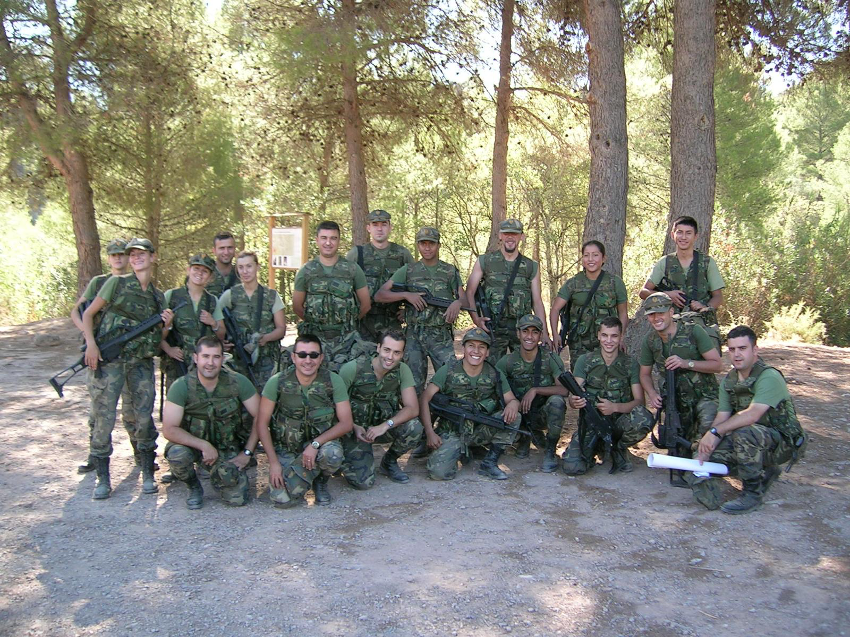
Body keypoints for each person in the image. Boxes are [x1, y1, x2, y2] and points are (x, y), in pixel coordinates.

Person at [81, 238, 174, 500]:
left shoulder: (157, 296)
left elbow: (158, 338)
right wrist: (91, 345)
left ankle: (147, 473)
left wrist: (167, 325)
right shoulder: (116, 283)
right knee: (104, 417)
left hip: (140, 364)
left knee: (143, 418)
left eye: (141, 253)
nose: (136, 258)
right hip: (110, 362)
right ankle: (103, 478)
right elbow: (88, 314)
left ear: (153, 257)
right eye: (132, 254)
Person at [689, 326, 808, 514]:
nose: (736, 354)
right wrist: (707, 444)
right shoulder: (729, 381)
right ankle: (765, 471)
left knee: (744, 432)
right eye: (732, 349)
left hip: (783, 443)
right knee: (710, 452)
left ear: (755, 350)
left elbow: (752, 415)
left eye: (742, 348)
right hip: (755, 439)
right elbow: (722, 417)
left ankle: (753, 494)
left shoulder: (769, 376)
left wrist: (715, 432)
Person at [255, 334, 354, 508]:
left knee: (332, 454)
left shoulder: (333, 380)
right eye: (302, 355)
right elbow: (262, 424)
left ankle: (321, 481)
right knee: (282, 500)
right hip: (287, 447)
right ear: (293, 357)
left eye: (313, 355)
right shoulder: (277, 382)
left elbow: (346, 423)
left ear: (321, 358)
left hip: (320, 446)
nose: (308, 360)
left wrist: (315, 444)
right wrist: (274, 463)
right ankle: (302, 476)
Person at [161, 336, 261, 509]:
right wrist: (203, 445)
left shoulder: (238, 382)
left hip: (227, 447)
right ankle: (193, 486)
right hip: (193, 447)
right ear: (195, 358)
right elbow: (169, 429)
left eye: (216, 357)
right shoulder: (181, 386)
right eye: (205, 356)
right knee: (177, 455)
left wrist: (247, 453)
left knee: (237, 500)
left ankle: (218, 476)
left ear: (223, 359)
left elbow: (261, 417)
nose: (210, 363)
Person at [71, 238, 140, 474]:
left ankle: (139, 453)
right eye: (114, 255)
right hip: (101, 355)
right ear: (108, 258)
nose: (118, 258)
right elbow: (78, 311)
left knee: (132, 408)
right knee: (99, 408)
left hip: (129, 356)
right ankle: (95, 455)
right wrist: (88, 337)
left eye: (122, 254)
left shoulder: (136, 283)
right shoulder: (99, 282)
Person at [638, 292, 723, 477]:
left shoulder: (693, 331)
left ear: (671, 312)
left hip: (704, 397)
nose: (656, 318)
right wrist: (652, 394)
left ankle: (703, 470)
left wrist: (687, 363)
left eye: (660, 313)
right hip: (677, 403)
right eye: (651, 314)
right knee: (679, 457)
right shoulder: (650, 341)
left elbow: (717, 365)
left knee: (706, 429)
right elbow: (644, 374)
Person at [420, 328, 523, 481]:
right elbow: (424, 399)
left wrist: (513, 405)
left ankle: (490, 462)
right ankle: (460, 450)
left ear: (487, 352)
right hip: (452, 431)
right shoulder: (448, 370)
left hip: (480, 429)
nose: (476, 351)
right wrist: (430, 433)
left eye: (481, 347)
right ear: (463, 348)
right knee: (438, 473)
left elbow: (512, 400)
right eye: (471, 346)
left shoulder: (494, 373)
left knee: (514, 417)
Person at [374, 226, 467, 392]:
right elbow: (380, 295)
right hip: (414, 336)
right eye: (423, 243)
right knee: (413, 386)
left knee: (452, 381)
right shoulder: (409, 270)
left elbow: (465, 299)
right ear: (418, 246)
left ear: (438, 245)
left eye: (431, 243)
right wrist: (406, 295)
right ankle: (415, 410)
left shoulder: (449, 271)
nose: (427, 247)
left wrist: (457, 303)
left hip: (441, 335)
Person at [562, 317, 654, 475]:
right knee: (572, 467)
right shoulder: (585, 361)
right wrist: (573, 401)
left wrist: (615, 407)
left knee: (643, 418)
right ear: (598, 335)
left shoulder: (630, 364)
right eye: (605, 335)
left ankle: (618, 448)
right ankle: (597, 448)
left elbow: (639, 402)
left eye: (614, 336)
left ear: (621, 337)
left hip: (619, 425)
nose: (609, 341)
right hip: (591, 423)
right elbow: (573, 396)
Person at [337, 330, 423, 488]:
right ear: (378, 348)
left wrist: (385, 425)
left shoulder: (402, 370)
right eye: (387, 350)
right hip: (354, 430)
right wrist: (353, 426)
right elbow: (333, 405)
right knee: (363, 482)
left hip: (381, 426)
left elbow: (412, 408)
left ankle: (389, 461)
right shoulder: (352, 369)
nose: (390, 357)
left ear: (402, 354)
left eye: (396, 352)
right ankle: (342, 458)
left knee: (414, 427)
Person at [292, 220, 372, 371]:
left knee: (348, 377)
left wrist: (347, 323)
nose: (328, 243)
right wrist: (317, 323)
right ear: (317, 240)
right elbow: (297, 306)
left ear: (338, 241)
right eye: (324, 238)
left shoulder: (352, 269)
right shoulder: (306, 271)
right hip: (316, 339)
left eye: (333, 238)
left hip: (346, 339)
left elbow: (365, 305)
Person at [466, 219, 550, 362]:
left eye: (514, 234)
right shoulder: (485, 261)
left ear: (521, 236)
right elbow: (469, 292)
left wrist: (545, 333)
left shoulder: (531, 266)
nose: (510, 237)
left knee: (523, 369)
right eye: (506, 234)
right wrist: (476, 319)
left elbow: (537, 301)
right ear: (500, 235)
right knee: (492, 370)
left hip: (522, 330)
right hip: (494, 328)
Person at [639, 216, 725, 350]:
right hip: (673, 328)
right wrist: (667, 295)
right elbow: (644, 292)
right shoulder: (665, 262)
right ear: (673, 235)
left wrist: (705, 307)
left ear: (695, 236)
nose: (683, 237)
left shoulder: (707, 262)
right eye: (680, 232)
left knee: (708, 360)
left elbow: (718, 296)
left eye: (688, 233)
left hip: (702, 326)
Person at [496, 315, 568, 472]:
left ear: (541, 335)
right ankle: (522, 437)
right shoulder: (507, 361)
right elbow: (493, 387)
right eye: (525, 331)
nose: (529, 336)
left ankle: (550, 450)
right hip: (518, 415)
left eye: (535, 332)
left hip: (541, 414)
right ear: (518, 334)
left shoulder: (551, 359)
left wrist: (536, 390)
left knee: (557, 401)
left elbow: (564, 389)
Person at [213, 250, 286, 391]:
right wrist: (222, 342)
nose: (245, 271)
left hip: (266, 360)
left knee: (266, 396)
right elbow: (217, 323)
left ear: (257, 267)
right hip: (238, 360)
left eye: (249, 266)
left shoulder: (271, 296)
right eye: (241, 267)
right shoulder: (230, 295)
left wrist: (266, 338)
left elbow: (281, 329)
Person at [550, 240, 629, 369]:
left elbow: (623, 313)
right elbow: (555, 309)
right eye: (586, 255)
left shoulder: (615, 283)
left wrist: (621, 337)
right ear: (582, 259)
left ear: (603, 258)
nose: (590, 259)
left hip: (607, 343)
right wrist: (555, 334)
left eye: (595, 255)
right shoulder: (573, 283)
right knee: (579, 377)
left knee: (607, 375)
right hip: (579, 344)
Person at [345, 209, 414, 342]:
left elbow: (415, 285)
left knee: (393, 354)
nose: (379, 229)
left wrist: (408, 311)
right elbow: (344, 287)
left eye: (384, 224)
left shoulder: (402, 254)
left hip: (393, 321)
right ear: (368, 228)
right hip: (363, 322)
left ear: (390, 227)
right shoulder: (357, 254)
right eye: (375, 225)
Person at [160, 254, 219, 391]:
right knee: (176, 398)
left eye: (205, 271)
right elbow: (156, 333)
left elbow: (221, 333)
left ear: (210, 277)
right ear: (188, 270)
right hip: (177, 363)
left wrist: (213, 323)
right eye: (196, 268)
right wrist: (168, 349)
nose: (200, 273)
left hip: (203, 365)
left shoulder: (211, 300)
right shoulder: (172, 296)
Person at [204, 232, 239, 299]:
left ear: (234, 249)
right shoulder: (205, 275)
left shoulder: (242, 274)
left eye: (230, 247)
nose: (226, 252)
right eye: (222, 248)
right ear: (214, 251)